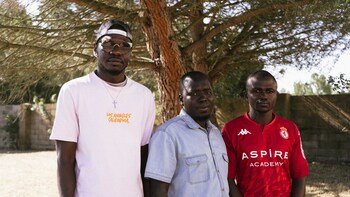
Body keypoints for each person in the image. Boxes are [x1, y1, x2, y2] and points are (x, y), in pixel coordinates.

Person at [49, 20, 156, 197]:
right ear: (95, 48)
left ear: (130, 52)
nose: (116, 51)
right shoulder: (74, 91)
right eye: (108, 44)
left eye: (124, 45)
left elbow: (144, 157)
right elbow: (64, 159)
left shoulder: (143, 96)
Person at [222, 70, 309, 197]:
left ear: (276, 94)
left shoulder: (290, 129)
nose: (263, 96)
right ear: (246, 94)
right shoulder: (231, 129)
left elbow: (300, 176)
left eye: (269, 91)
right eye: (256, 91)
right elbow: (228, 179)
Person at [145, 71, 229, 197]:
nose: (203, 98)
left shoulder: (216, 134)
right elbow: (158, 190)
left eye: (208, 92)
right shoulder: (167, 134)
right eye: (194, 93)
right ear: (181, 99)